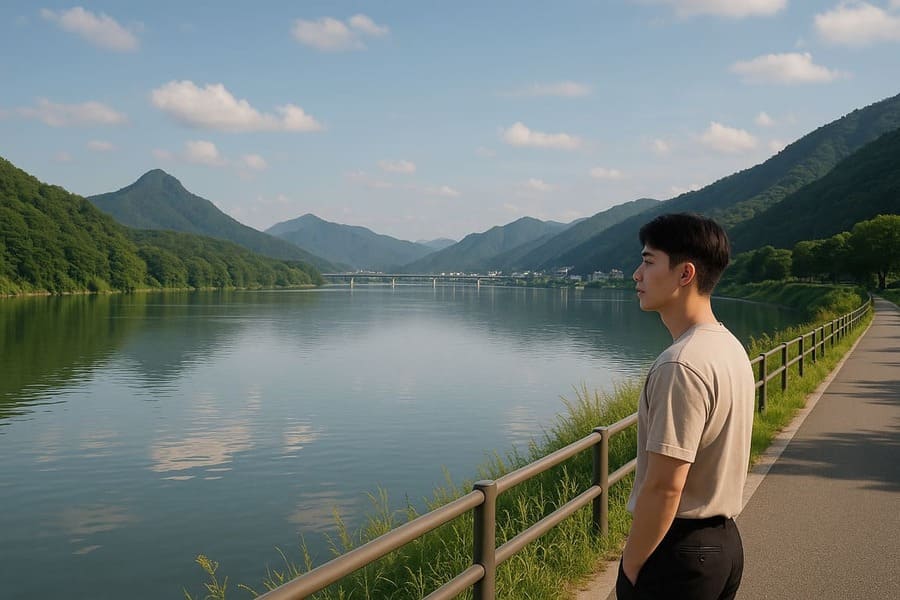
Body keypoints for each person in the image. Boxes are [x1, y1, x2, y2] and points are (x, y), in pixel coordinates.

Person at [616, 213, 754, 600]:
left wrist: (631, 567)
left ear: (685, 273)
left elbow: (664, 486)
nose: (637, 275)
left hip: (679, 553)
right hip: (723, 545)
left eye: (648, 261)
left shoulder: (680, 364)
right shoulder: (728, 347)